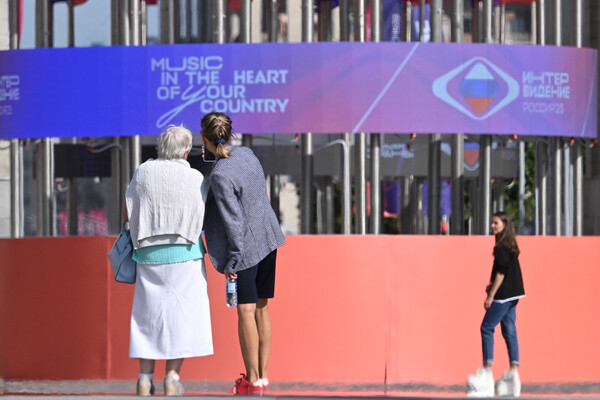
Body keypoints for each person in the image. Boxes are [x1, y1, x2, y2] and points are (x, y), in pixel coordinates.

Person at [200, 112, 285, 395]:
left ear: (204, 139)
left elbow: (233, 221)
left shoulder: (220, 174)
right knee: (262, 308)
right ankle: (263, 377)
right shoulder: (247, 154)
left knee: (245, 311)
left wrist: (233, 260)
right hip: (268, 239)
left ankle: (251, 380)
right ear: (230, 134)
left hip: (246, 248)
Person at [125, 125, 212, 396]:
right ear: (186, 152)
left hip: (147, 255)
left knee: (147, 316)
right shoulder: (195, 177)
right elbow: (201, 217)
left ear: (161, 147)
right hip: (185, 254)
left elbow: (128, 212)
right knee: (181, 317)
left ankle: (144, 378)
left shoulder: (142, 172)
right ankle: (172, 377)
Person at [467, 211, 526, 398]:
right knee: (509, 329)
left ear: (504, 225)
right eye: (492, 223)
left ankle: (487, 371)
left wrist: (491, 295)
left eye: (496, 223)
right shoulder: (510, 243)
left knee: (486, 327)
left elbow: (501, 273)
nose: (492, 226)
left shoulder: (501, 246)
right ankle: (513, 373)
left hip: (503, 295)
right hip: (514, 293)